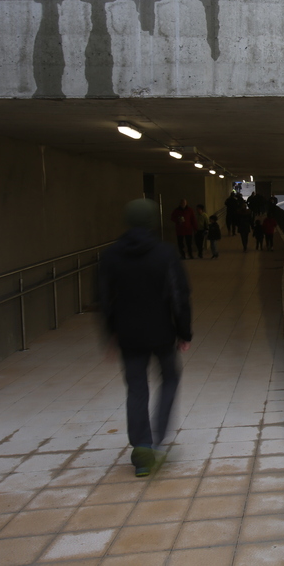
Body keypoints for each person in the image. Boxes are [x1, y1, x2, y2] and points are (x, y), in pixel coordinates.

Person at [97, 199, 192, 477]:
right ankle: (158, 439)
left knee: (137, 388)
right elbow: (179, 296)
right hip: (162, 332)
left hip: (128, 335)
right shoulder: (165, 254)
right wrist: (184, 332)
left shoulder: (111, 255)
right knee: (170, 379)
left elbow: (104, 298)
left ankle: (141, 445)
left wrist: (110, 332)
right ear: (153, 222)